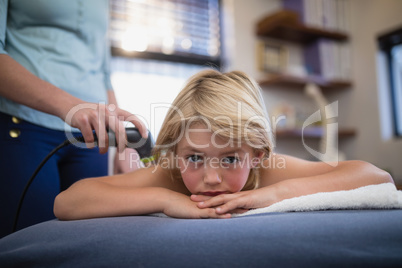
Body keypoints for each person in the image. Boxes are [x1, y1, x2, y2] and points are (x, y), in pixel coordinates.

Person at [53, 69, 394, 220]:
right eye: (195, 158)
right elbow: (68, 202)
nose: (212, 178)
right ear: (174, 154)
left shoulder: (267, 173)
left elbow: (375, 176)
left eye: (230, 159)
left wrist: (275, 194)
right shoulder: (170, 175)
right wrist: (165, 199)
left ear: (257, 154)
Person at [0, 0, 147, 237]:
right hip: (24, 125)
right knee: (29, 240)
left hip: (91, 136)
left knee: (90, 238)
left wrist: (122, 144)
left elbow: (103, 73)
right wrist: (72, 107)